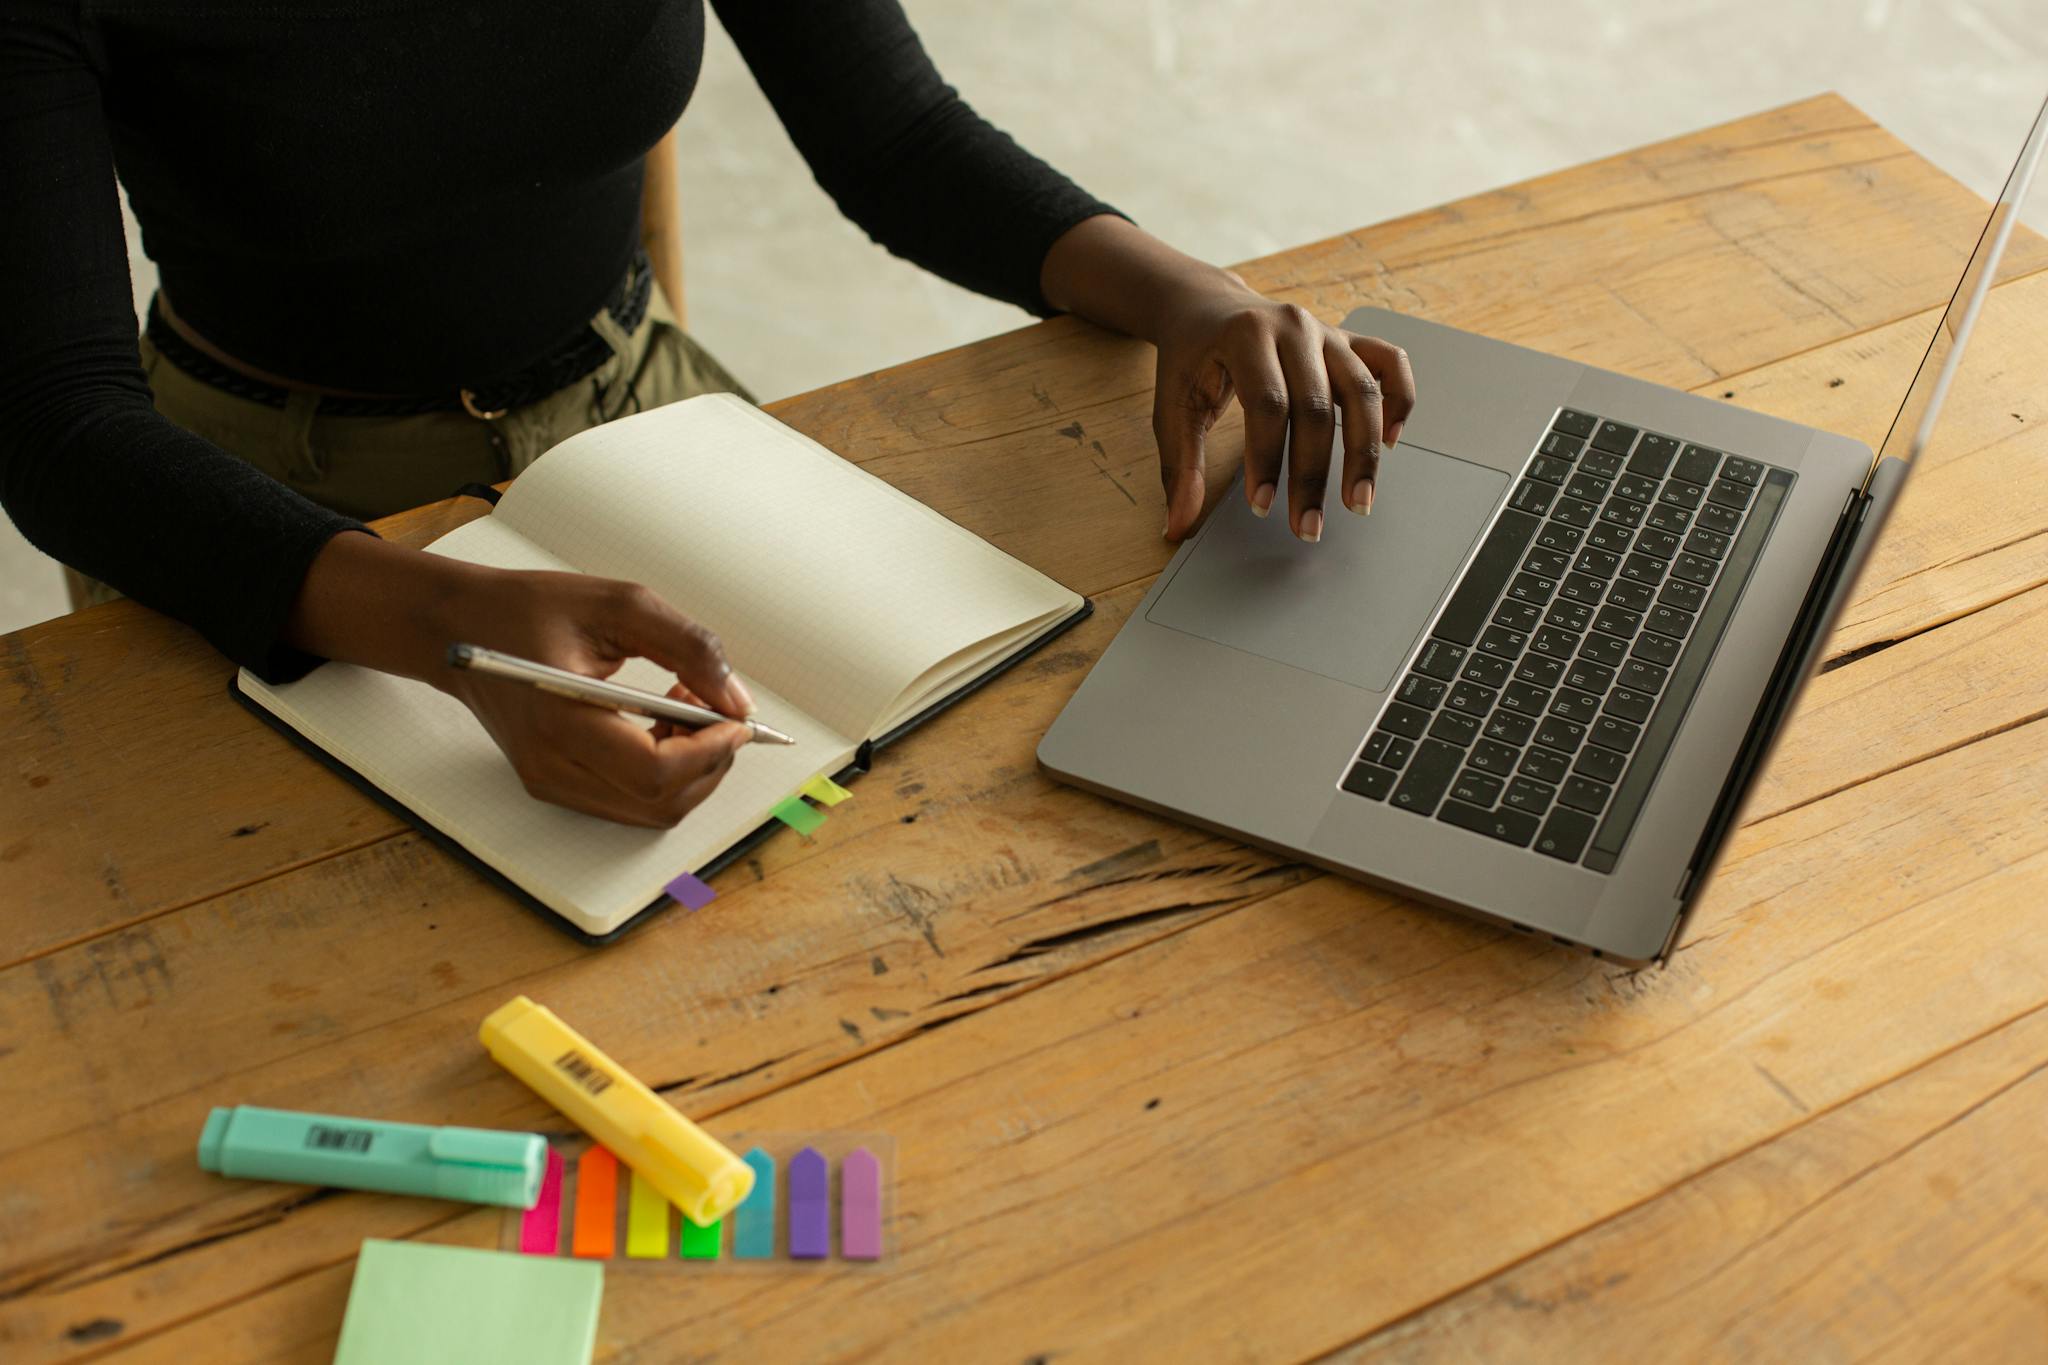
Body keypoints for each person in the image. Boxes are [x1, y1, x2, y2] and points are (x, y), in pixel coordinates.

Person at [1, 1, 1415, 828]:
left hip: (638, 411)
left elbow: (894, 135)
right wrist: (446, 627)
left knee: (920, 795)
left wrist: (1188, 296)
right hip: (253, 501)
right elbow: (59, 429)